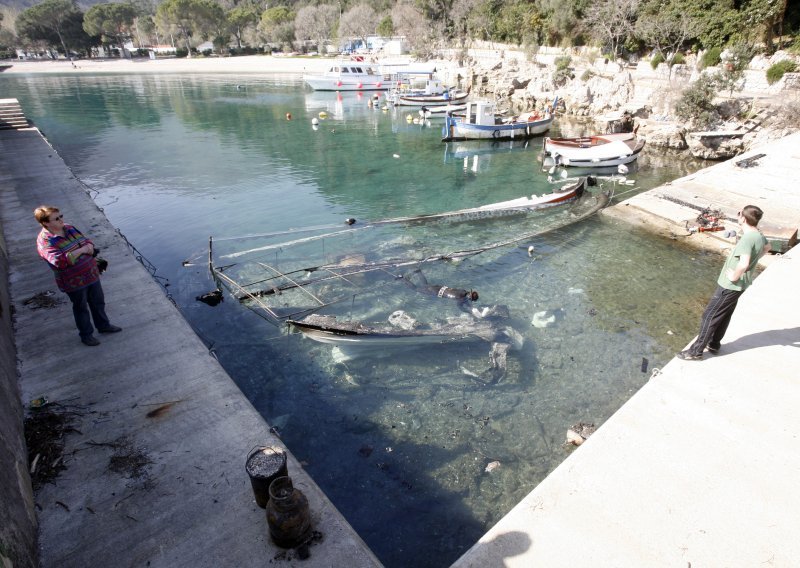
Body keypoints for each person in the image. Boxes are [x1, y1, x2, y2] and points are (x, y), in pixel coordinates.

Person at [677, 205, 770, 361]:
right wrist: (753, 262)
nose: (738, 216)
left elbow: (744, 262)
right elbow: (767, 248)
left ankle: (695, 352)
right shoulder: (758, 236)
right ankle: (714, 344)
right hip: (740, 285)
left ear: (743, 218)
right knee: (724, 314)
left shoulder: (747, 238)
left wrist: (734, 276)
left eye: (739, 213)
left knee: (709, 315)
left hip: (730, 285)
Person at [34, 206, 121, 346]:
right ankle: (86, 335)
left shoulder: (69, 228)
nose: (61, 220)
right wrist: (82, 250)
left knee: (98, 302)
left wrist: (81, 250)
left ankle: (103, 325)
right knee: (81, 308)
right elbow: (59, 261)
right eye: (56, 218)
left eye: (61, 216)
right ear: (46, 223)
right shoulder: (45, 241)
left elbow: (87, 242)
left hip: (91, 274)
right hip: (73, 282)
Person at [402, 268, 479, 304]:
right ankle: (402, 279)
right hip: (435, 291)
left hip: (439, 287)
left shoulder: (463, 290)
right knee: (415, 289)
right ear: (470, 298)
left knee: (426, 284)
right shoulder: (461, 299)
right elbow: (460, 307)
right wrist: (469, 311)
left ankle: (418, 272)